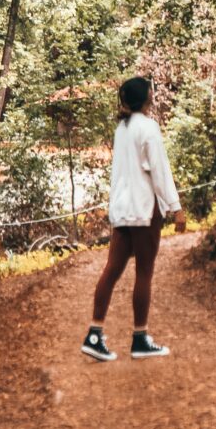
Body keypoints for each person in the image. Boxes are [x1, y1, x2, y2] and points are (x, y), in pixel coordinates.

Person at [82, 73, 181, 362]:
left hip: (122, 209)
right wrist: (175, 206)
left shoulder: (122, 129)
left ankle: (94, 333)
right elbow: (159, 170)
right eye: (151, 90)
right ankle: (140, 338)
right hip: (144, 208)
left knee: (111, 270)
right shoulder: (148, 128)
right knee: (144, 272)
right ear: (147, 97)